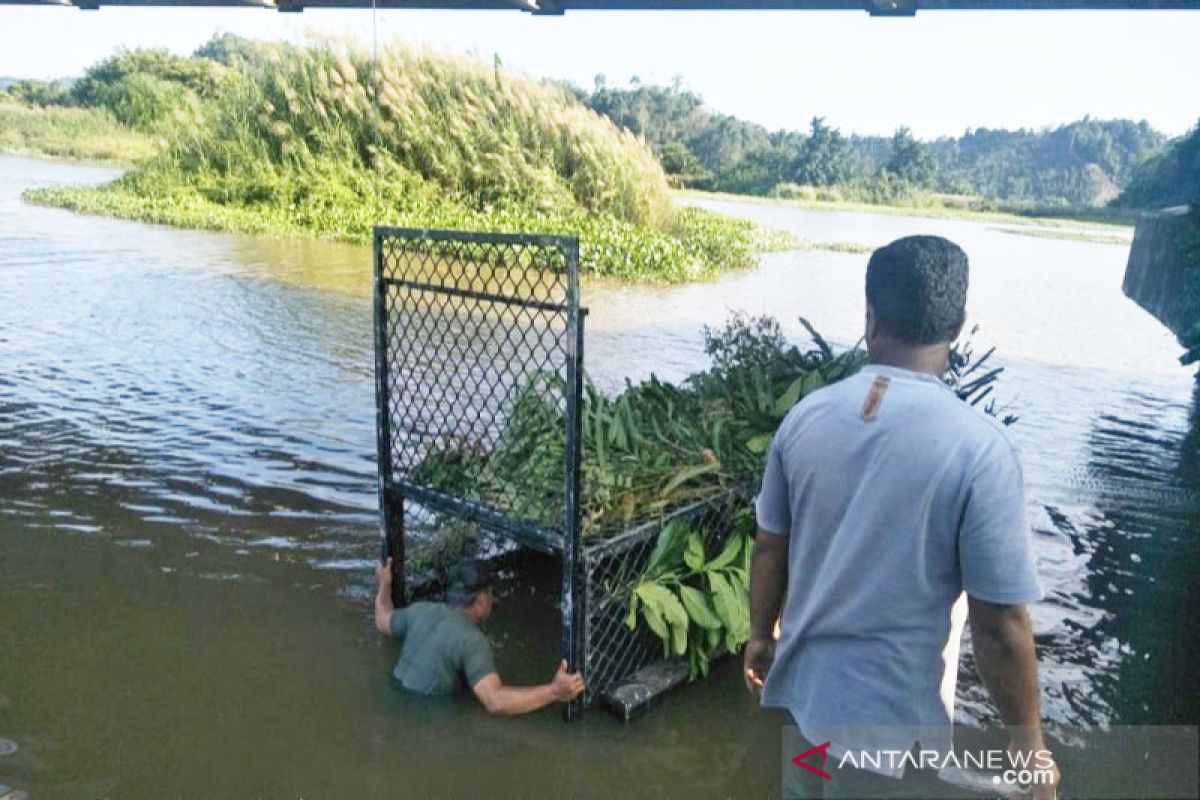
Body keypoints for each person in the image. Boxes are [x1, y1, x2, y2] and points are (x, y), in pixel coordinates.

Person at [745, 235, 1061, 799]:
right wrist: (1027, 745)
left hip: (808, 706)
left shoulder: (804, 419)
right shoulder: (980, 449)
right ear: (958, 325)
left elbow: (770, 546)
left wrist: (759, 639)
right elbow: (998, 625)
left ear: (870, 318)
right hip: (889, 732)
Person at [374, 556, 584, 715]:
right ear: (482, 600)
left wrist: (384, 584)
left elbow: (382, 619)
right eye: (491, 595)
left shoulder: (419, 610)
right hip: (426, 716)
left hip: (392, 698)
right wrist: (555, 691)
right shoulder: (473, 641)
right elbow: (495, 701)